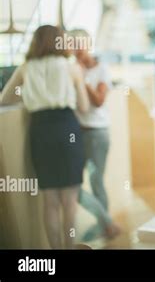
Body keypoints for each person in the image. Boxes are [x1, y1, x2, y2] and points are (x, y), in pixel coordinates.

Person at [0, 25, 90, 249]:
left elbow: (5, 98)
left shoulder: (26, 68)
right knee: (69, 202)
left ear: (36, 42)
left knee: (49, 200)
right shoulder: (71, 68)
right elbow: (84, 106)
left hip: (41, 131)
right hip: (67, 128)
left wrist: (32, 98)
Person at [69, 29, 120, 240]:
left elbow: (99, 101)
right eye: (72, 44)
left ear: (87, 44)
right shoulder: (70, 70)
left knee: (97, 181)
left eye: (79, 43)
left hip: (98, 134)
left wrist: (83, 80)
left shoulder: (102, 69)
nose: (77, 48)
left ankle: (105, 228)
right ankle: (108, 223)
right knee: (73, 186)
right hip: (77, 134)